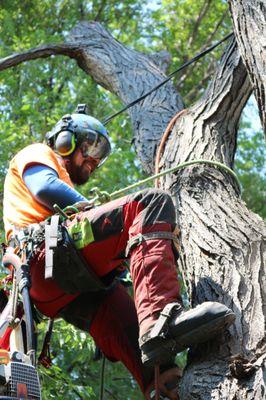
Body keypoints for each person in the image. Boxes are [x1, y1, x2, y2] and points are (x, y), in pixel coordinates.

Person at [2, 104, 235, 400]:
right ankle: (160, 321)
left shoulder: (64, 178)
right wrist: (91, 207)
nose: (93, 159)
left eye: (100, 154)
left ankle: (163, 385)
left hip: (56, 287)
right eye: (89, 146)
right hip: (45, 253)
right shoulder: (39, 153)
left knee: (119, 312)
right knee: (150, 204)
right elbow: (45, 187)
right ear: (64, 140)